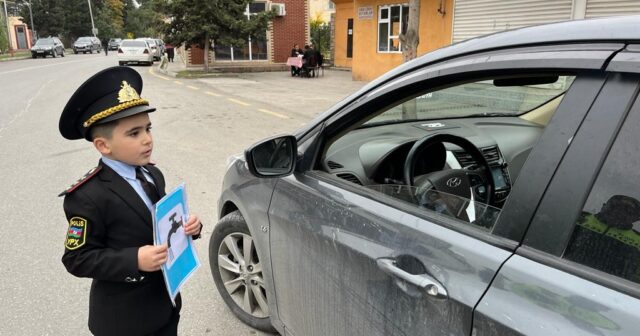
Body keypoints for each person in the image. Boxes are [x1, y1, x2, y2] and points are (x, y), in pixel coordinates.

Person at [58, 66, 203, 336]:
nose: (148, 139)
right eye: (134, 133)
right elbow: (77, 258)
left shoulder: (152, 174)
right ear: (103, 146)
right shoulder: (87, 196)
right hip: (124, 320)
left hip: (165, 305)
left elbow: (160, 223)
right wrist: (133, 259)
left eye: (148, 128)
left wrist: (189, 227)